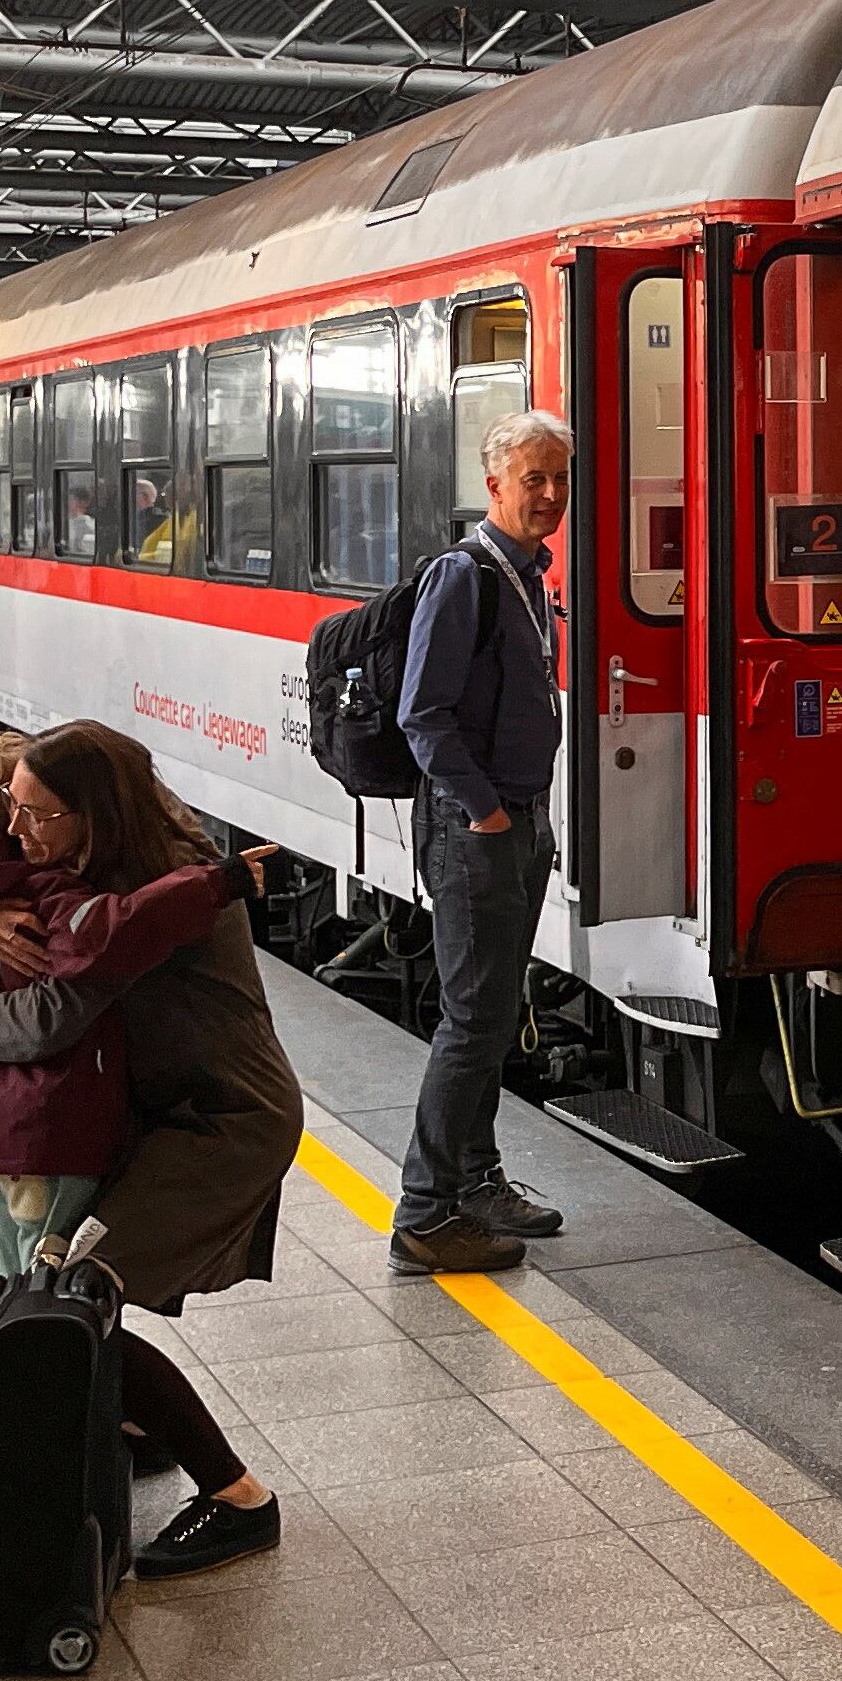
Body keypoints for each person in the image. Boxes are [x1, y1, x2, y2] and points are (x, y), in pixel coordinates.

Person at [0, 722, 306, 1567]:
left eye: (37, 816)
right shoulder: (106, 856)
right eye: (11, 811)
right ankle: (135, 1423)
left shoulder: (147, 897)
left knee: (71, 1288)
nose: (18, 834)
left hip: (223, 1121)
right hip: (166, 1109)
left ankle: (237, 1497)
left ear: (90, 813)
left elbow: (44, 1017)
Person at [384, 408, 574, 1275]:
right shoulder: (468, 575)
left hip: (519, 820)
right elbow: (422, 713)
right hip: (477, 830)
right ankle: (425, 1213)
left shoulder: (531, 578)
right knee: (472, 1019)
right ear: (493, 484)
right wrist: (488, 814)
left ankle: (476, 1179)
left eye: (559, 479)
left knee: (494, 1013)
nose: (548, 494)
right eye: (532, 479)